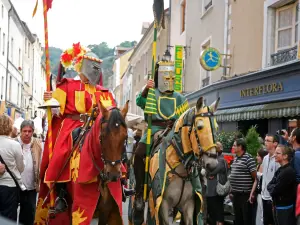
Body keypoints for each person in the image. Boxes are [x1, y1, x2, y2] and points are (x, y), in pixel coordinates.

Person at [41, 43, 133, 213]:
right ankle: (61, 193)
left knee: (117, 141)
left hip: (99, 126)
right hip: (74, 124)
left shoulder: (104, 92)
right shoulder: (67, 85)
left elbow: (112, 113)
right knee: (65, 149)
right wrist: (50, 99)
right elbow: (56, 109)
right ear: (81, 67)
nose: (94, 71)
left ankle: (122, 181)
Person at [133, 60, 189, 214]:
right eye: (164, 73)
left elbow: (185, 117)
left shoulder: (179, 97)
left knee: (192, 155)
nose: (168, 77)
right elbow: (139, 101)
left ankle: (195, 191)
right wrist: (146, 88)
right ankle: (138, 193)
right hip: (154, 130)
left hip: (173, 131)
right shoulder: (152, 92)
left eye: (170, 73)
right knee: (138, 154)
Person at [15, 120, 42, 225]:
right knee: (12, 212)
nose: (27, 133)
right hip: (16, 185)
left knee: (30, 213)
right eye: (24, 131)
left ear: (33, 131)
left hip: (31, 185)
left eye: (29, 131)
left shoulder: (37, 143)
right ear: (20, 131)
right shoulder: (14, 142)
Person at [0, 114, 25, 222]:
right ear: (10, 127)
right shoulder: (14, 145)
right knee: (8, 219)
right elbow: (21, 168)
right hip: (10, 187)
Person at [229, 138, 257, 225]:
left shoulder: (249, 158)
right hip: (235, 194)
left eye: (234, 145)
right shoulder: (235, 158)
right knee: (238, 219)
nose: (232, 147)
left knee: (246, 219)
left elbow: (255, 177)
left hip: (245, 195)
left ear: (240, 147)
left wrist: (252, 193)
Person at [267, 145, 297, 225]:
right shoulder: (280, 169)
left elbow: (275, 190)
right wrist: (272, 187)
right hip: (278, 206)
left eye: (278, 153)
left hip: (284, 208)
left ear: (285, 156)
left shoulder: (288, 171)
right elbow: (269, 185)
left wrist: (272, 187)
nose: (275, 155)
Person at [206, 142, 228, 225]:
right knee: (213, 213)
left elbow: (211, 171)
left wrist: (209, 173)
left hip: (216, 192)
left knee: (218, 213)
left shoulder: (221, 160)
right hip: (211, 191)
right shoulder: (216, 160)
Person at [262, 134, 280, 225]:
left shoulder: (277, 160)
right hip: (263, 195)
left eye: (268, 141)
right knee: (265, 221)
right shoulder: (265, 158)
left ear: (275, 143)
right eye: (265, 140)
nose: (265, 143)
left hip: (272, 198)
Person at [250, 148, 268, 225]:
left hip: (264, 194)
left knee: (263, 214)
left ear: (263, 157)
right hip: (258, 194)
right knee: (258, 213)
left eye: (258, 156)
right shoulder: (258, 166)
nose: (256, 157)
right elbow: (256, 180)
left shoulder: (266, 167)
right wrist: (251, 193)